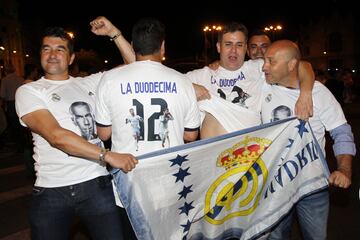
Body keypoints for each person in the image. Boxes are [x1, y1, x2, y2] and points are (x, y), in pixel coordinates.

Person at [15, 16, 138, 240]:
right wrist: (108, 155)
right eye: (47, 49)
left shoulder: (88, 83)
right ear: (40, 55)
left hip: (96, 186)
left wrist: (114, 32)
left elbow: (136, 66)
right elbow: (56, 136)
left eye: (60, 49)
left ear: (71, 57)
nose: (52, 54)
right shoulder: (30, 91)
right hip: (52, 192)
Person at [261, 40, 356, 240]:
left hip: (312, 187)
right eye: (264, 61)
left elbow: (341, 132)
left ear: (291, 64)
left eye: (271, 61)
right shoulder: (262, 87)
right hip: (275, 187)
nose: (264, 66)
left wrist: (344, 169)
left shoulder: (319, 93)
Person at [186, 21, 314, 139]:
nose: (234, 51)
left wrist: (305, 94)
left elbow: (302, 66)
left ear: (245, 48)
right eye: (228, 44)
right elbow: (170, 83)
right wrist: (190, 87)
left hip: (250, 154)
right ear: (219, 47)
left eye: (239, 45)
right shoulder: (201, 76)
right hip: (214, 156)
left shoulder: (258, 67)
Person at [96, 17, 200, 155]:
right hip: (170, 166)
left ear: (132, 46)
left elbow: (104, 134)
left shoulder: (109, 79)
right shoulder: (183, 81)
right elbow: (190, 135)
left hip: (128, 167)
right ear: (162, 46)